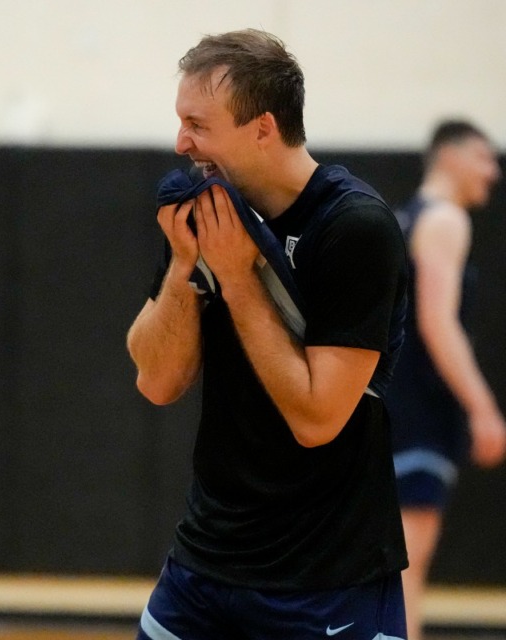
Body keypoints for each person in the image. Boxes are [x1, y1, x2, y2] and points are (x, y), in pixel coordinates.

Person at [127, 29, 409, 639]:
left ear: (262, 127)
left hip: (324, 578)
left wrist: (237, 276)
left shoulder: (355, 227)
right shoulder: (210, 211)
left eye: (198, 125)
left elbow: (317, 419)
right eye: (180, 122)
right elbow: (156, 379)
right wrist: (182, 265)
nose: (181, 143)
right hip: (204, 564)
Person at [385, 120, 506, 640]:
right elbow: (437, 322)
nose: (493, 172)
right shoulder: (445, 220)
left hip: (387, 408)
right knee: (407, 570)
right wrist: (483, 407)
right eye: (484, 157)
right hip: (420, 413)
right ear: (450, 156)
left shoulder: (403, 219)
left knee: (389, 570)